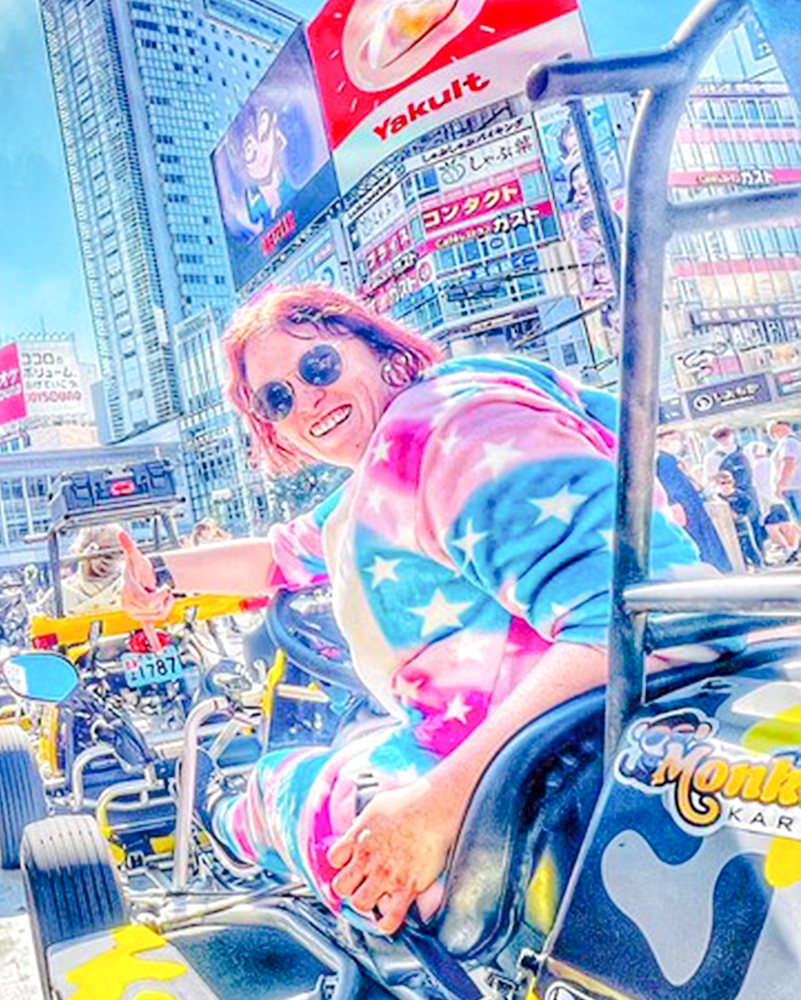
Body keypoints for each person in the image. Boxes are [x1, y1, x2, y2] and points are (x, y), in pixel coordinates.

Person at [119, 286, 711, 936]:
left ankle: (217, 820)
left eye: (316, 367)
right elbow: (281, 558)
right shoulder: (385, 473)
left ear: (376, 349)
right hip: (538, 752)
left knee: (271, 792)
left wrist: (437, 805)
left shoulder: (451, 426)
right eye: (278, 399)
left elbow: (641, 623)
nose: (305, 400)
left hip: (541, 777)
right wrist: (161, 575)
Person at [658, 428, 729, 572]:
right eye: (672, 438)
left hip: (690, 503)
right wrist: (675, 503)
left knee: (703, 537)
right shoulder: (663, 461)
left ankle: (715, 566)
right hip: (685, 506)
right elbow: (672, 486)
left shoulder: (672, 460)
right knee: (700, 538)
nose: (677, 443)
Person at [704, 425, 762, 568]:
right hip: (728, 495)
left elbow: (753, 472)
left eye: (726, 435)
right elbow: (709, 478)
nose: (725, 439)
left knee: (754, 523)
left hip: (748, 492)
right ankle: (742, 560)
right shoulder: (712, 457)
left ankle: (760, 558)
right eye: (720, 437)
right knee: (738, 531)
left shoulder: (745, 451)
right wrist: (723, 486)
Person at [59, 524, 126, 615]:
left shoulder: (130, 586)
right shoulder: (63, 592)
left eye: (112, 555)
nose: (104, 562)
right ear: (82, 551)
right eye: (99, 553)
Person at [769, 419, 801, 520]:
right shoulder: (794, 441)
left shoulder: (787, 442)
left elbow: (788, 464)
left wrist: (780, 485)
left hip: (794, 487)